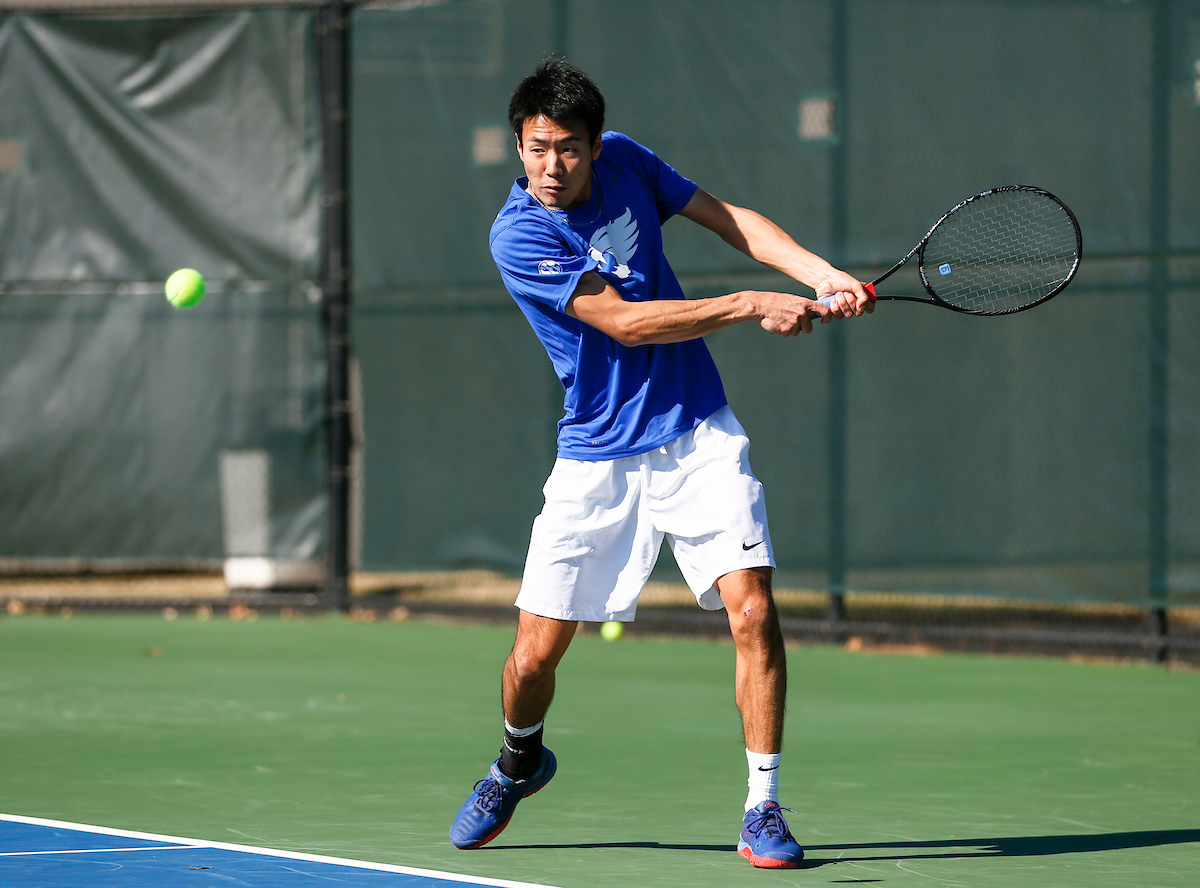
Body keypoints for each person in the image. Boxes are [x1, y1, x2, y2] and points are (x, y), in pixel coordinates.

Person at [449, 58, 871, 869]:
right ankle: (518, 760)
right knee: (535, 656)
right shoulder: (519, 233)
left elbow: (728, 219)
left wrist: (817, 274)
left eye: (567, 150)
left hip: (698, 434)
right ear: (518, 144)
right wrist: (752, 303)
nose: (550, 167)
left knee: (753, 612)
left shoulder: (630, 161)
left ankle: (763, 805)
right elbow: (628, 325)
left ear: (597, 144)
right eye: (535, 148)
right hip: (596, 457)